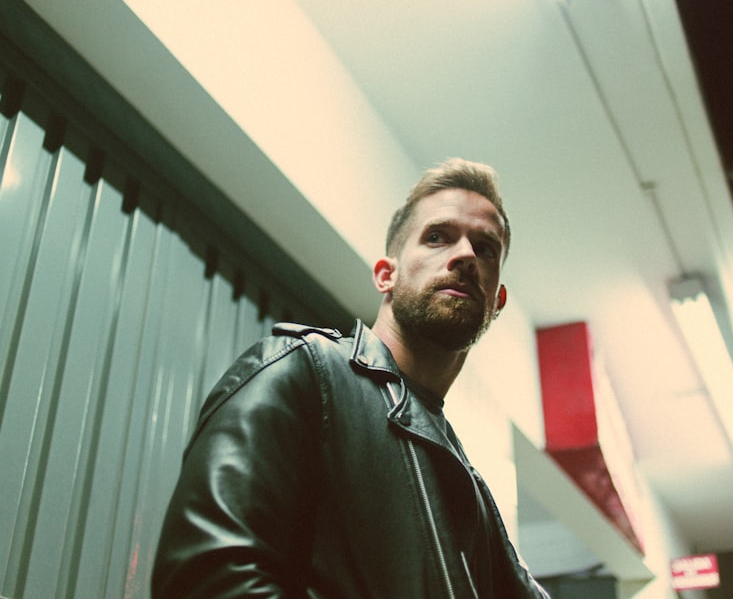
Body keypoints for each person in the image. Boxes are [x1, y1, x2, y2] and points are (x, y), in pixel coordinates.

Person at [152, 159, 548, 598]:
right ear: (387, 275)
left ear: (497, 301)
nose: (464, 256)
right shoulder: (303, 369)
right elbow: (206, 578)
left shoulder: (470, 490)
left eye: (485, 248)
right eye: (437, 237)